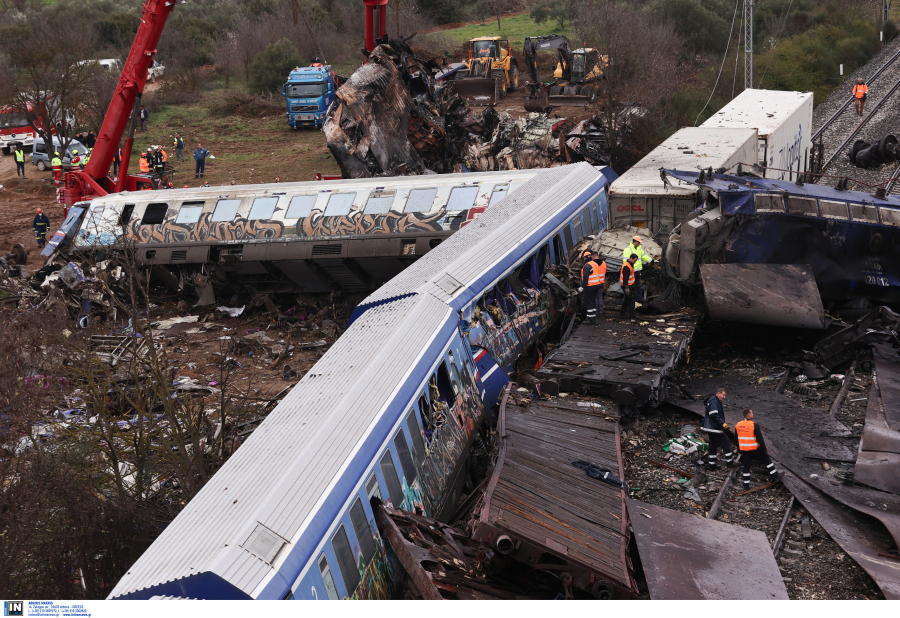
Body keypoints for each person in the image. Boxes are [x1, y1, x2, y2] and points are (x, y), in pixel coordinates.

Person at [736, 408, 785, 488]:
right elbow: (760, 439)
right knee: (766, 460)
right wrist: (764, 449)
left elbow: (736, 439)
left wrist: (739, 450)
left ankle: (746, 485)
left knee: (746, 467)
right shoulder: (754, 425)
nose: (752, 414)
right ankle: (775, 475)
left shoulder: (738, 425)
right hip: (754, 449)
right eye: (752, 413)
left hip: (744, 450)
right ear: (749, 415)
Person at [698, 387, 736, 470]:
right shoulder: (714, 401)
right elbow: (714, 414)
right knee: (726, 442)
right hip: (714, 428)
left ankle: (711, 465)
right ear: (718, 393)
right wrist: (723, 424)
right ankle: (730, 463)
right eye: (723, 395)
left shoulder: (714, 400)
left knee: (713, 445)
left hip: (711, 428)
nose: (724, 397)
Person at [579, 249, 606, 324]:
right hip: (597, 285)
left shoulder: (587, 266)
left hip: (590, 286)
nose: (584, 259)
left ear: (586, 257)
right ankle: (593, 317)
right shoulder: (594, 264)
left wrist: (582, 287)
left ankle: (590, 319)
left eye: (584, 257)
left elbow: (585, 277)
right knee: (594, 301)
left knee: (589, 302)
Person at [622, 236, 652, 302]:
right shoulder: (627, 250)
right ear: (635, 242)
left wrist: (650, 260)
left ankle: (639, 299)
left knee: (638, 286)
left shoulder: (639, 249)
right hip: (631, 272)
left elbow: (644, 256)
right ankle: (626, 301)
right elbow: (625, 262)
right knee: (628, 287)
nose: (640, 244)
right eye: (639, 242)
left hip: (638, 271)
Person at [619, 254, 638, 318]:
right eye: (634, 260)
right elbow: (625, 278)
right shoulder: (627, 267)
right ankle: (632, 315)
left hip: (628, 285)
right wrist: (626, 287)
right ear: (631, 258)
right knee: (631, 300)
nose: (635, 262)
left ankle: (622, 312)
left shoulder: (629, 264)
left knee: (627, 299)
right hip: (626, 286)